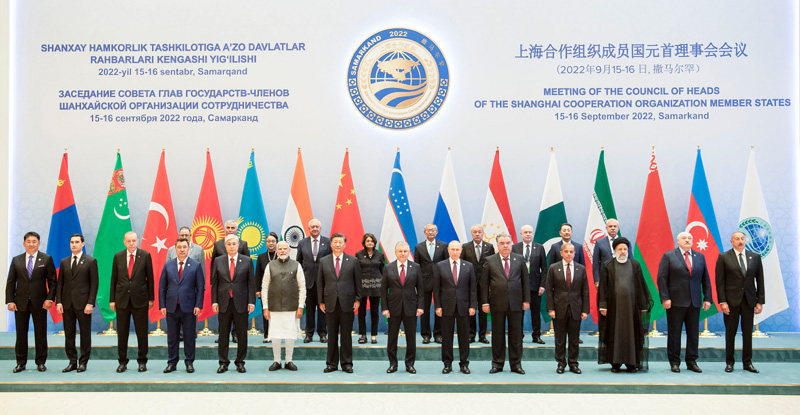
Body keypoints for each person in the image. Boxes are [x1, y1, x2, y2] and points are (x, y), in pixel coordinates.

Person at [657, 231, 712, 373]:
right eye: (684, 238)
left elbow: (706, 279)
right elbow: (662, 278)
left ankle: (692, 361)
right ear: (678, 241)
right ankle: (674, 362)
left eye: (689, 238)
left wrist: (707, 298)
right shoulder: (669, 256)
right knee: (674, 333)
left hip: (694, 301)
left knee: (693, 334)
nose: (687, 240)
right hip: (675, 302)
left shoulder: (700, 257)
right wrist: (665, 297)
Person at [597, 237, 653, 373]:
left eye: (625, 249)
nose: (622, 252)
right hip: (613, 308)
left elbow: (640, 286)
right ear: (615, 250)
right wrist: (603, 305)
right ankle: (615, 363)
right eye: (620, 249)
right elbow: (603, 287)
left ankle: (631, 363)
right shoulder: (608, 265)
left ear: (628, 250)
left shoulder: (635, 265)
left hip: (632, 308)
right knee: (614, 333)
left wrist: (643, 305)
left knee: (632, 334)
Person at [6, 231, 57, 373]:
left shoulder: (46, 259)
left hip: (40, 303)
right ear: (24, 243)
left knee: (40, 334)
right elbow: (11, 282)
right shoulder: (16, 260)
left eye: (34, 242)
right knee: (21, 334)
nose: (31, 244)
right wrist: (10, 301)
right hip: (20, 303)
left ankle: (41, 362)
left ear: (38, 243)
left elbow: (53, 282)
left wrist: (49, 299)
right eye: (28, 242)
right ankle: (20, 363)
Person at [716, 231, 764, 373]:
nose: (740, 241)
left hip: (749, 301)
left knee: (748, 333)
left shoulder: (755, 257)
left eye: (742, 238)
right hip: (731, 301)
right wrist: (723, 301)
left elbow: (760, 280)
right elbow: (720, 281)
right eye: (737, 239)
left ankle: (747, 363)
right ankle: (729, 362)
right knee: (730, 333)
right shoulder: (724, 257)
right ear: (732, 242)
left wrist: (760, 301)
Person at [481, 234, 530, 374]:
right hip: (497, 303)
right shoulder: (490, 260)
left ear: (511, 244)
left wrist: (526, 300)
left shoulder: (519, 259)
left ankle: (516, 364)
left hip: (516, 303)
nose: (505, 246)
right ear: (497, 245)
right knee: (497, 335)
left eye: (508, 243)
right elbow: (484, 284)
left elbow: (525, 281)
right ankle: (497, 364)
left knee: (516, 335)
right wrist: (485, 302)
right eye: (502, 243)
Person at [110, 231, 154, 373]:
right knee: (122, 334)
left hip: (140, 300)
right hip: (122, 300)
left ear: (138, 241)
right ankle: (122, 362)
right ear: (124, 242)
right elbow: (114, 279)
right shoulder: (118, 256)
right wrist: (112, 299)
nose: (131, 243)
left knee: (142, 333)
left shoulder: (145, 255)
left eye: (134, 240)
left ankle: (142, 361)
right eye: (128, 241)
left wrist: (151, 298)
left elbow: (150, 279)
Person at [159, 238, 205, 374]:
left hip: (189, 307)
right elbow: (162, 287)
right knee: (172, 338)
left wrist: (198, 305)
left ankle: (189, 362)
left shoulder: (196, 265)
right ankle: (172, 363)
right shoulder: (168, 265)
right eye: (179, 247)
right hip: (171, 307)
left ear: (188, 249)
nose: (182, 250)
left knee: (189, 337)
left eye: (185, 247)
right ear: (175, 249)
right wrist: (162, 305)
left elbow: (200, 287)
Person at [318, 233, 361, 373]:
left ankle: (347, 363)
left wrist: (358, 299)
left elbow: (358, 282)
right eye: (335, 242)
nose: (337, 244)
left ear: (345, 244)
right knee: (331, 335)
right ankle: (331, 364)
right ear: (331, 244)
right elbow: (320, 283)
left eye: (340, 242)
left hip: (348, 303)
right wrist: (321, 301)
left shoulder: (353, 261)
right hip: (329, 303)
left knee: (346, 335)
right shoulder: (323, 261)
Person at [211, 235, 255, 373]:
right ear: (225, 246)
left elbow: (251, 283)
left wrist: (251, 301)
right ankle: (223, 362)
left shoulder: (247, 261)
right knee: (223, 334)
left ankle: (240, 362)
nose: (231, 246)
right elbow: (214, 283)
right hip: (223, 302)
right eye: (229, 244)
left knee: (242, 334)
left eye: (234, 244)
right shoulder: (218, 261)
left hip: (241, 302)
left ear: (238, 245)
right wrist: (214, 301)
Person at [56, 234, 98, 373]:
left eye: (77, 242)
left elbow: (94, 284)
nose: (74, 244)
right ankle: (72, 362)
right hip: (67, 304)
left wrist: (90, 303)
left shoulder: (90, 261)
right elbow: (60, 284)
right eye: (72, 242)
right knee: (69, 334)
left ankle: (83, 362)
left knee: (85, 334)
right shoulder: (64, 261)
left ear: (82, 244)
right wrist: (59, 301)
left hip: (83, 304)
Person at [434, 241, 477, 374]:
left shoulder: (468, 266)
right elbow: (436, 288)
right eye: (452, 249)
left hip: (464, 307)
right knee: (447, 337)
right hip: (446, 307)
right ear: (448, 250)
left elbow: (473, 288)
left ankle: (464, 363)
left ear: (461, 251)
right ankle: (447, 364)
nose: (454, 252)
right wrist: (438, 306)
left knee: (464, 337)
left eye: (457, 249)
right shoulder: (440, 266)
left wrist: (472, 305)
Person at [262, 241, 305, 371]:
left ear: (289, 250)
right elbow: (264, 287)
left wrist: (300, 306)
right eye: (280, 249)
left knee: (290, 335)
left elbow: (302, 287)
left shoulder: (296, 265)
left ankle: (288, 361)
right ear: (276, 251)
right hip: (274, 306)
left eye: (285, 249)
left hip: (292, 307)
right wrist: (265, 307)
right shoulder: (270, 266)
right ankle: (276, 361)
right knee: (275, 335)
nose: (282, 251)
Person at [546, 242, 589, 374]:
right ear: (561, 253)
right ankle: (561, 363)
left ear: (575, 254)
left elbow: (585, 291)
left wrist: (585, 310)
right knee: (560, 339)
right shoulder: (553, 268)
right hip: (559, 308)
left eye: (571, 252)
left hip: (576, 308)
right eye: (566, 251)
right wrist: (551, 309)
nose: (569, 254)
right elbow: (549, 290)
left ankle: (573, 363)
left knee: (574, 339)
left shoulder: (581, 269)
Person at [381, 242, 423, 374]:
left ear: (408, 252)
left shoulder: (416, 267)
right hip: (393, 308)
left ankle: (410, 364)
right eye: (400, 251)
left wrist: (420, 306)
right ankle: (393, 364)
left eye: (405, 251)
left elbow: (421, 289)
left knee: (411, 338)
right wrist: (385, 308)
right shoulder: (388, 267)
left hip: (411, 307)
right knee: (392, 338)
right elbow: (383, 290)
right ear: (396, 252)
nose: (403, 254)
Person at [211, 220, 250, 344]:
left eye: (233, 227)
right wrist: (213, 283)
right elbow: (213, 265)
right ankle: (223, 335)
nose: (230, 230)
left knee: (238, 315)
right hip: (223, 288)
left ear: (236, 230)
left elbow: (247, 265)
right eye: (228, 227)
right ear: (224, 229)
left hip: (239, 288)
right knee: (223, 317)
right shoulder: (218, 244)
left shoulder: (243, 244)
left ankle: (235, 334)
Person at [296, 218, 331, 343]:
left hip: (324, 282)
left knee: (323, 309)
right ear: (309, 229)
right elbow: (299, 263)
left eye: (317, 227)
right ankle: (309, 334)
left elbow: (331, 261)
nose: (315, 229)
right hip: (308, 282)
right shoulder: (302, 243)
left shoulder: (328, 242)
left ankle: (322, 333)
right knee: (310, 310)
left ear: (320, 228)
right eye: (313, 227)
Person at [512, 225, 547, 344]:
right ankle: (518, 336)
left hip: (535, 286)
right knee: (519, 313)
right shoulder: (514, 247)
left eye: (530, 232)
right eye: (525, 232)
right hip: (519, 287)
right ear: (521, 234)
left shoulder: (540, 247)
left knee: (535, 313)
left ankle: (536, 336)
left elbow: (544, 268)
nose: (528, 234)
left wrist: (542, 285)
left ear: (533, 234)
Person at [413, 223, 448, 344]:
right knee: (424, 309)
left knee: (439, 308)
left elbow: (446, 264)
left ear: (436, 232)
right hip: (424, 282)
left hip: (440, 281)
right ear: (424, 233)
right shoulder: (419, 247)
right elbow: (417, 266)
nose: (431, 232)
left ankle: (438, 334)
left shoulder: (443, 246)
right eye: (428, 230)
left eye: (433, 230)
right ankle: (426, 335)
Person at [461, 224, 494, 343]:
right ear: (471, 233)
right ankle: (471, 335)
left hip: (484, 285)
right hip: (469, 285)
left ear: (483, 233)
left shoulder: (489, 247)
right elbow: (462, 265)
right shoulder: (465, 247)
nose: (477, 234)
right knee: (471, 310)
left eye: (479, 232)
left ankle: (482, 335)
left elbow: (493, 265)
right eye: (475, 232)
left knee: (483, 311)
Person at [354, 233, 385, 344]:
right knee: (361, 312)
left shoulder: (380, 255)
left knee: (374, 312)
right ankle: (363, 335)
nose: (370, 243)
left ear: (374, 242)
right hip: (362, 287)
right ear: (364, 243)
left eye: (371, 241)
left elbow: (383, 271)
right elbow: (356, 271)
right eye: (367, 241)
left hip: (376, 288)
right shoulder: (358, 255)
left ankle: (373, 335)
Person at [255, 232, 280, 343]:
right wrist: (257, 290)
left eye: (273, 241)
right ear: (266, 243)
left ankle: (277, 335)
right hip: (265, 290)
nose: (271, 243)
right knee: (266, 312)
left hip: (279, 290)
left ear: (276, 242)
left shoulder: (280, 256)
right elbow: (257, 274)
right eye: (268, 241)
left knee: (277, 313)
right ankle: (267, 335)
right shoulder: (261, 257)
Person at [592, 219, 620, 289]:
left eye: (615, 226)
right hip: (605, 277)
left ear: (618, 228)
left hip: (621, 276)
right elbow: (595, 263)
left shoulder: (624, 242)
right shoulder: (599, 242)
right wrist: (597, 280)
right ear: (606, 228)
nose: (613, 228)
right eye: (610, 226)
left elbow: (630, 260)